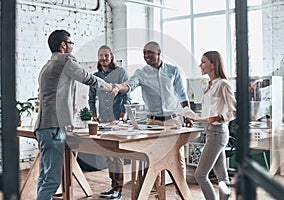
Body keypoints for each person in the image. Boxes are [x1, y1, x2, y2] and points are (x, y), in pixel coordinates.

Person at [34, 29, 113, 200]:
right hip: (53, 127)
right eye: (70, 43)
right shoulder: (65, 61)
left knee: (45, 177)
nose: (72, 47)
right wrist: (111, 87)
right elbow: (88, 78)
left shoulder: (47, 66)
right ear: (63, 45)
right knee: (52, 180)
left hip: (44, 126)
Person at [111, 41, 192, 195]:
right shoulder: (141, 73)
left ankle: (181, 193)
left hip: (172, 121)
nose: (146, 56)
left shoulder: (173, 71)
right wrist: (118, 87)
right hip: (153, 122)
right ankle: (155, 192)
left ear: (158, 52)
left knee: (177, 159)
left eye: (150, 52)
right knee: (152, 158)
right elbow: (129, 85)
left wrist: (188, 116)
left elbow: (182, 95)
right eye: (144, 53)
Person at [88, 45, 131, 200]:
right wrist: (94, 114)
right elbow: (91, 97)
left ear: (111, 56)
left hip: (116, 119)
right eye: (100, 55)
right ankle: (113, 186)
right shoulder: (95, 76)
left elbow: (127, 95)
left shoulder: (121, 72)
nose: (103, 58)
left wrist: (123, 115)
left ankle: (119, 189)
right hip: (103, 119)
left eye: (106, 55)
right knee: (108, 156)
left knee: (116, 155)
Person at [194, 51, 236, 200]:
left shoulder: (223, 84)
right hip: (211, 132)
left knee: (200, 175)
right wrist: (198, 118)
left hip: (218, 133)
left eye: (204, 61)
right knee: (222, 176)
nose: (200, 65)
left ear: (213, 64)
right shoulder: (209, 85)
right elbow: (210, 112)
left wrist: (219, 117)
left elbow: (234, 111)